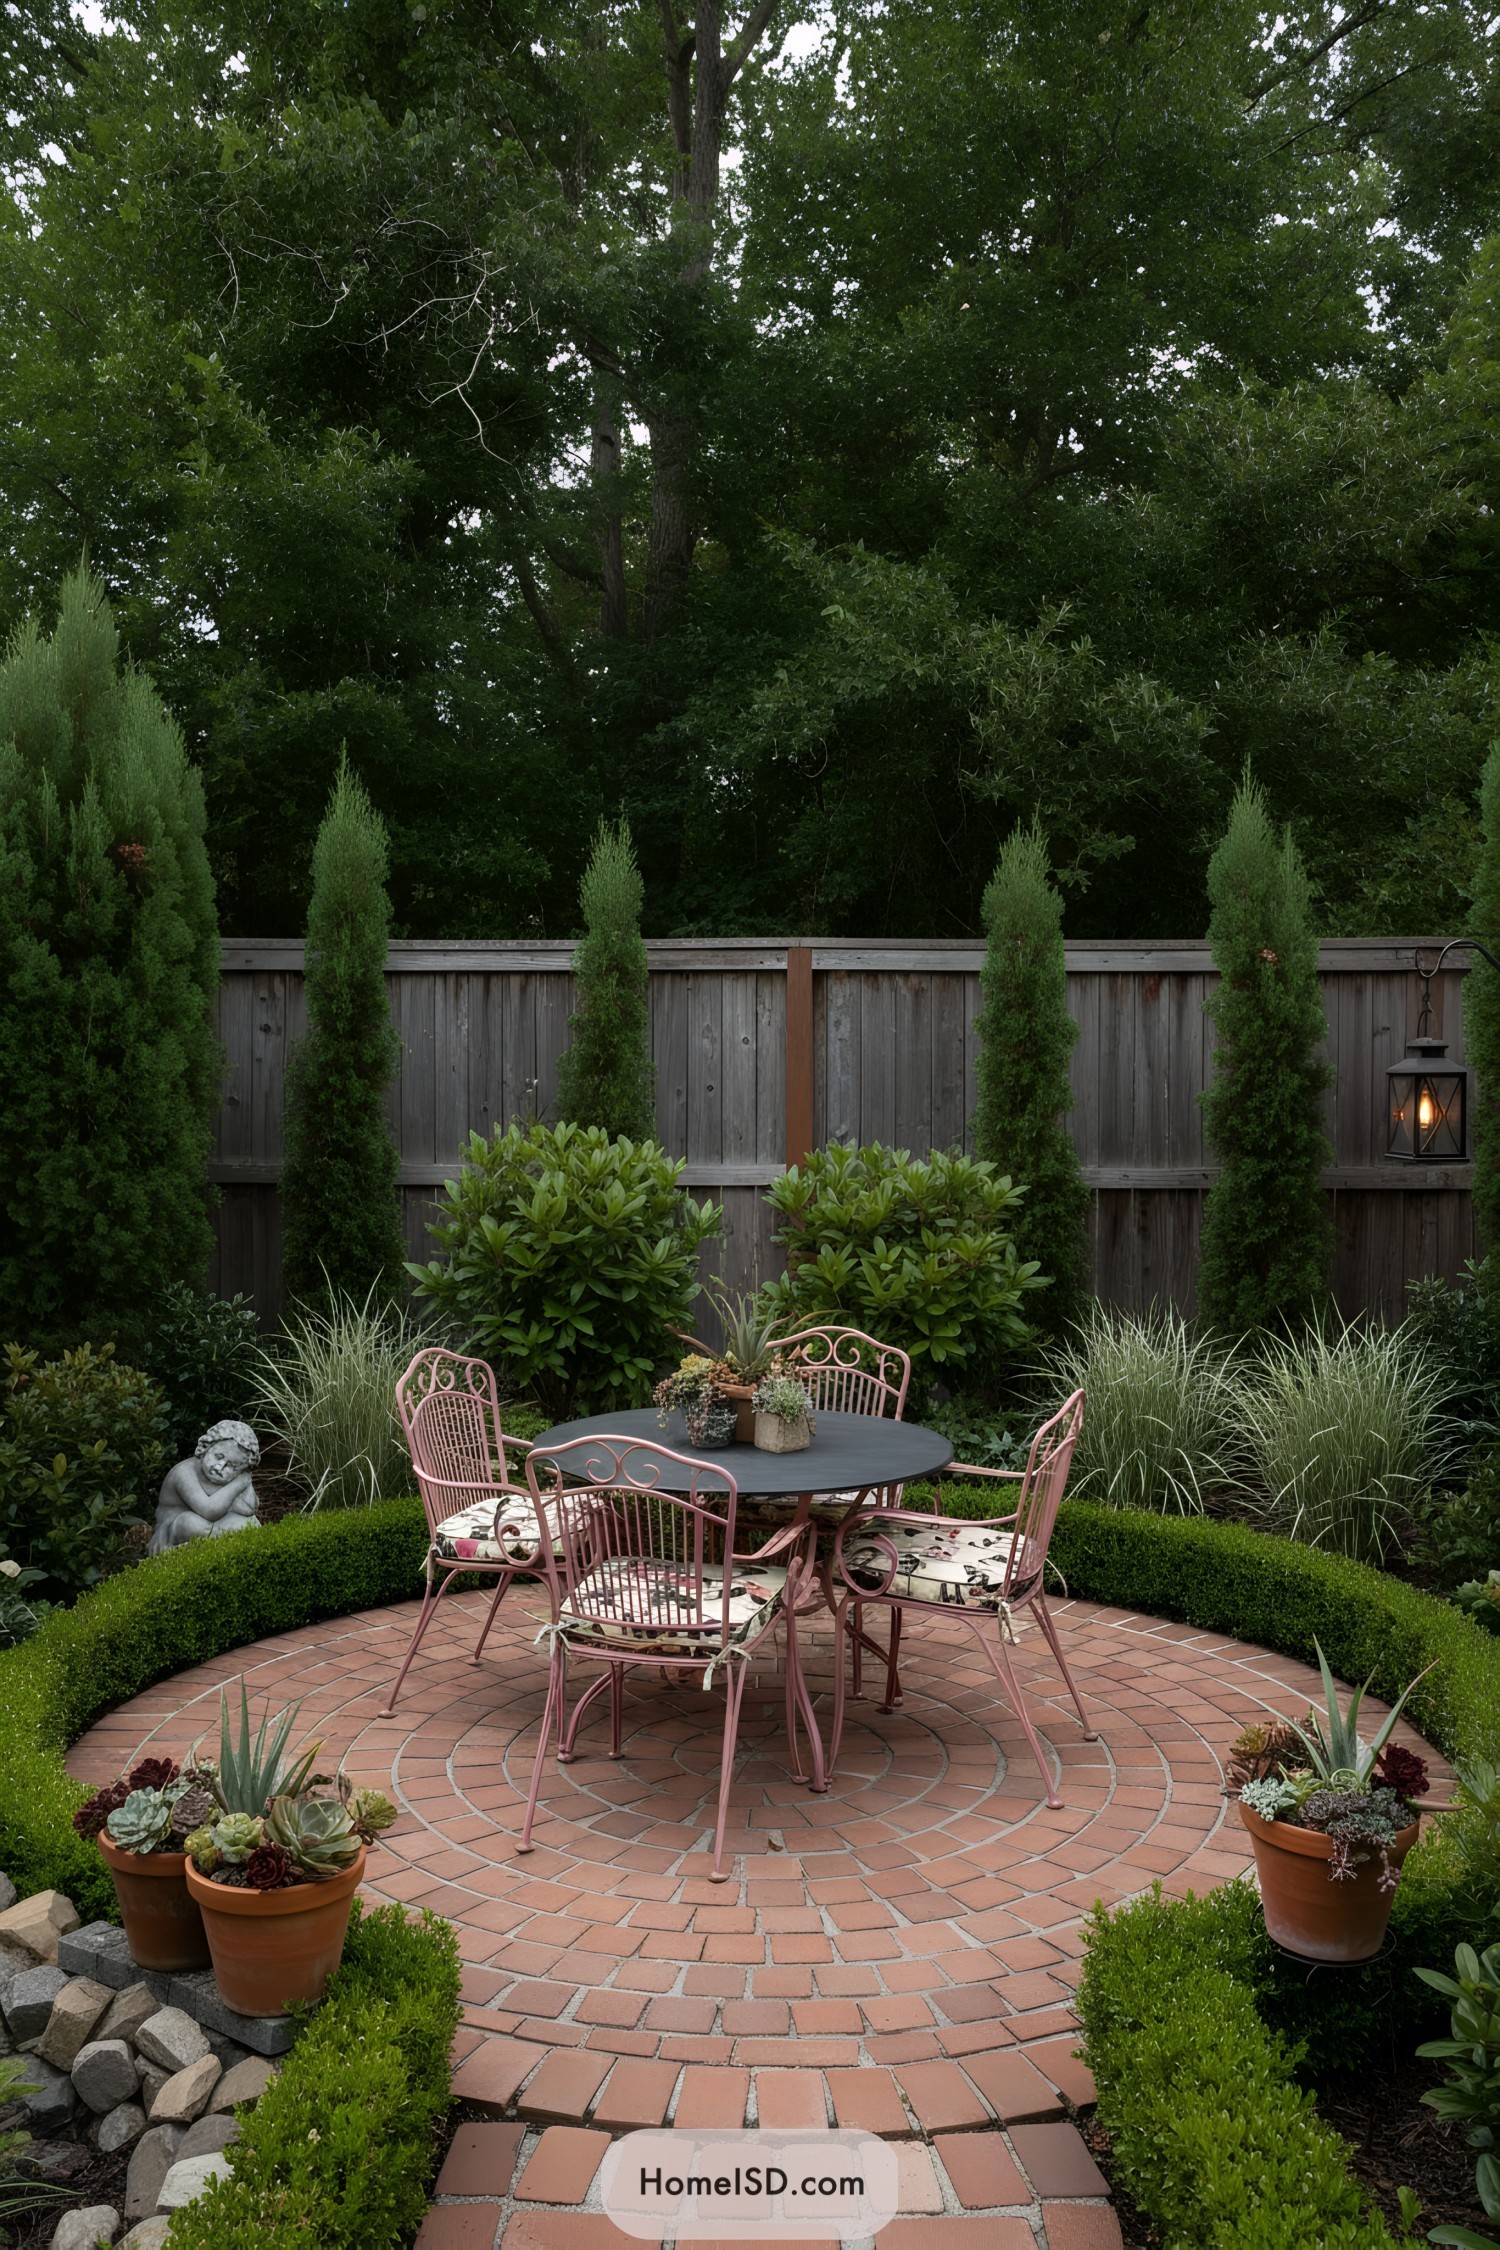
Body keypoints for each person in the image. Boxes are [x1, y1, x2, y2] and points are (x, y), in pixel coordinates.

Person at [147, 1420, 261, 1554]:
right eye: (218, 1456)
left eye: (232, 1466)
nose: (220, 1467)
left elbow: (248, 1509)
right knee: (189, 1522)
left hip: (213, 1526)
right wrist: (239, 1483)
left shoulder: (235, 1477)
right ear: (206, 1447)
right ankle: (227, 1541)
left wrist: (246, 1479)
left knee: (251, 1522)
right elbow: (209, 1510)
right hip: (174, 1529)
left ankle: (219, 1541)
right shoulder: (183, 1473)